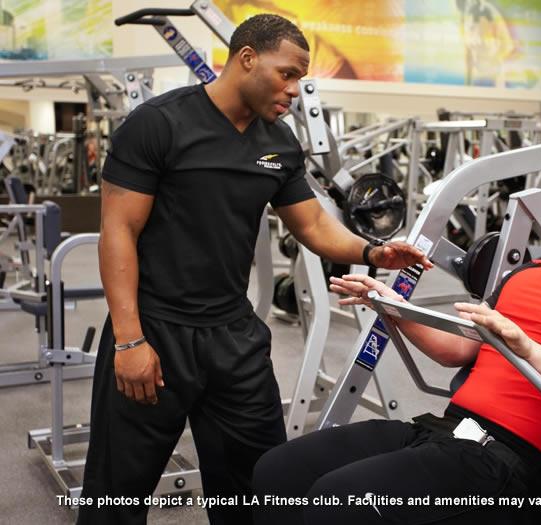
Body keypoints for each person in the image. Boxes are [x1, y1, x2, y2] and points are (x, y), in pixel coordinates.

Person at [77, 14, 431, 525]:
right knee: (117, 493)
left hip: (233, 336)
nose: (294, 89)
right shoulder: (159, 124)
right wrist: (130, 340)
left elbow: (312, 224)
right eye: (287, 74)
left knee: (258, 486)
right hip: (156, 328)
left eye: (300, 78)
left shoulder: (279, 142)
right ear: (247, 59)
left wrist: (374, 252)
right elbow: (118, 231)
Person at [251, 146, 541, 525]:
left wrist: (528, 350)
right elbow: (455, 350)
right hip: (444, 432)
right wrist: (391, 305)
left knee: (339, 501)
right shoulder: (527, 275)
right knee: (279, 472)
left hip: (505, 467)